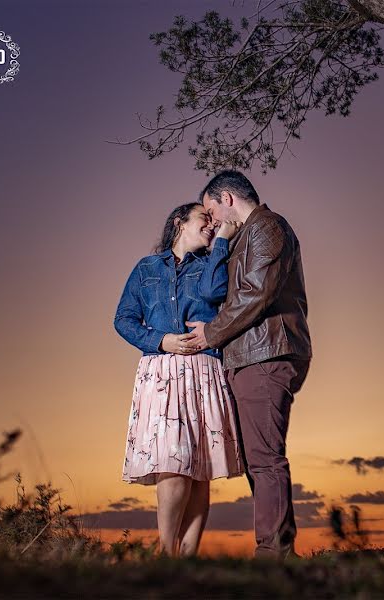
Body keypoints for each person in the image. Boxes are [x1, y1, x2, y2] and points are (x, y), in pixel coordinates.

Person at [183, 170, 312, 560]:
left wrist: (211, 334)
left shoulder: (268, 227)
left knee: (265, 458)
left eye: (212, 211)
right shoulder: (242, 236)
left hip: (266, 353)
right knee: (259, 458)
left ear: (227, 197)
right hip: (250, 356)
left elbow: (257, 294)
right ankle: (276, 550)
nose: (212, 221)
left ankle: (273, 555)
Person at [113, 202, 244, 556]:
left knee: (199, 469)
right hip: (162, 374)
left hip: (204, 371)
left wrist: (221, 244)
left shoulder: (213, 263)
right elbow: (124, 319)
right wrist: (161, 340)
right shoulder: (146, 269)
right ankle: (165, 554)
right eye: (205, 219)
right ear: (179, 223)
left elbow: (215, 294)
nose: (211, 225)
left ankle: (185, 562)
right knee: (172, 462)